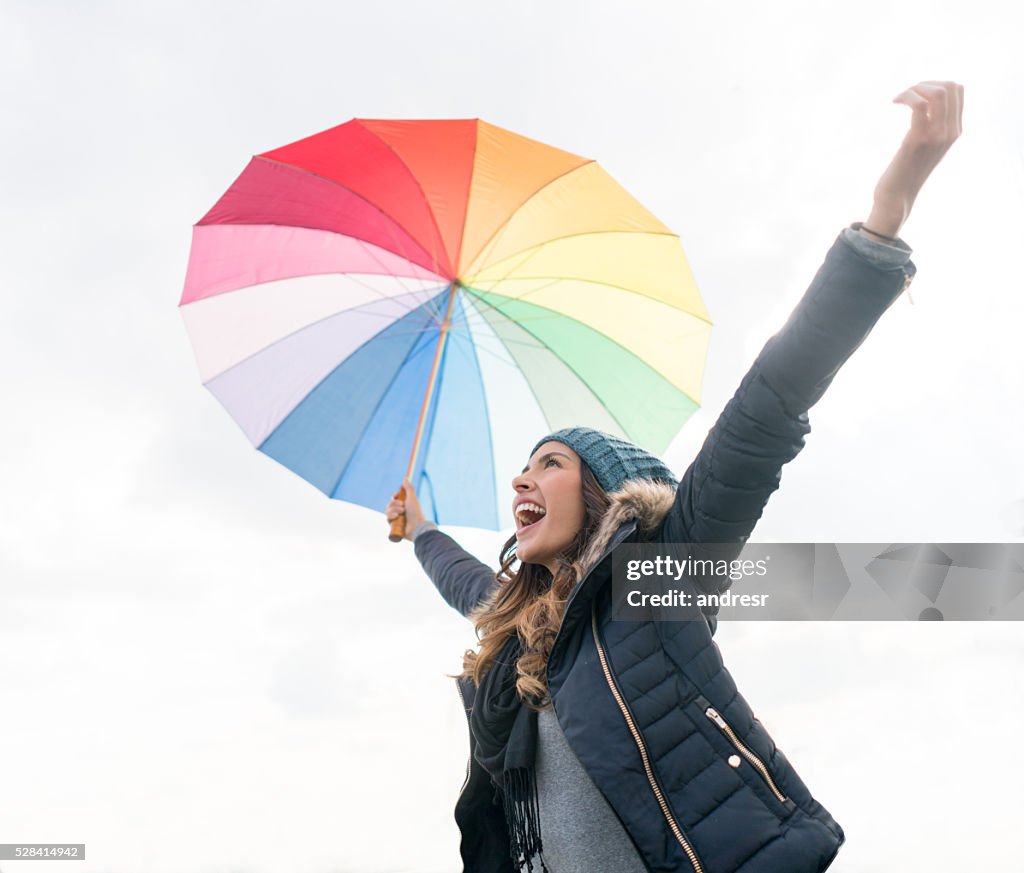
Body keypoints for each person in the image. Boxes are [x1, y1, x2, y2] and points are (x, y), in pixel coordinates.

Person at [385, 81, 963, 873]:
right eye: (520, 468)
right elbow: (461, 581)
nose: (522, 479)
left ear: (600, 496)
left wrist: (885, 214)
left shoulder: (656, 585)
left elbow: (766, 410)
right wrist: (419, 527)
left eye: (549, 463)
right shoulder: (522, 632)